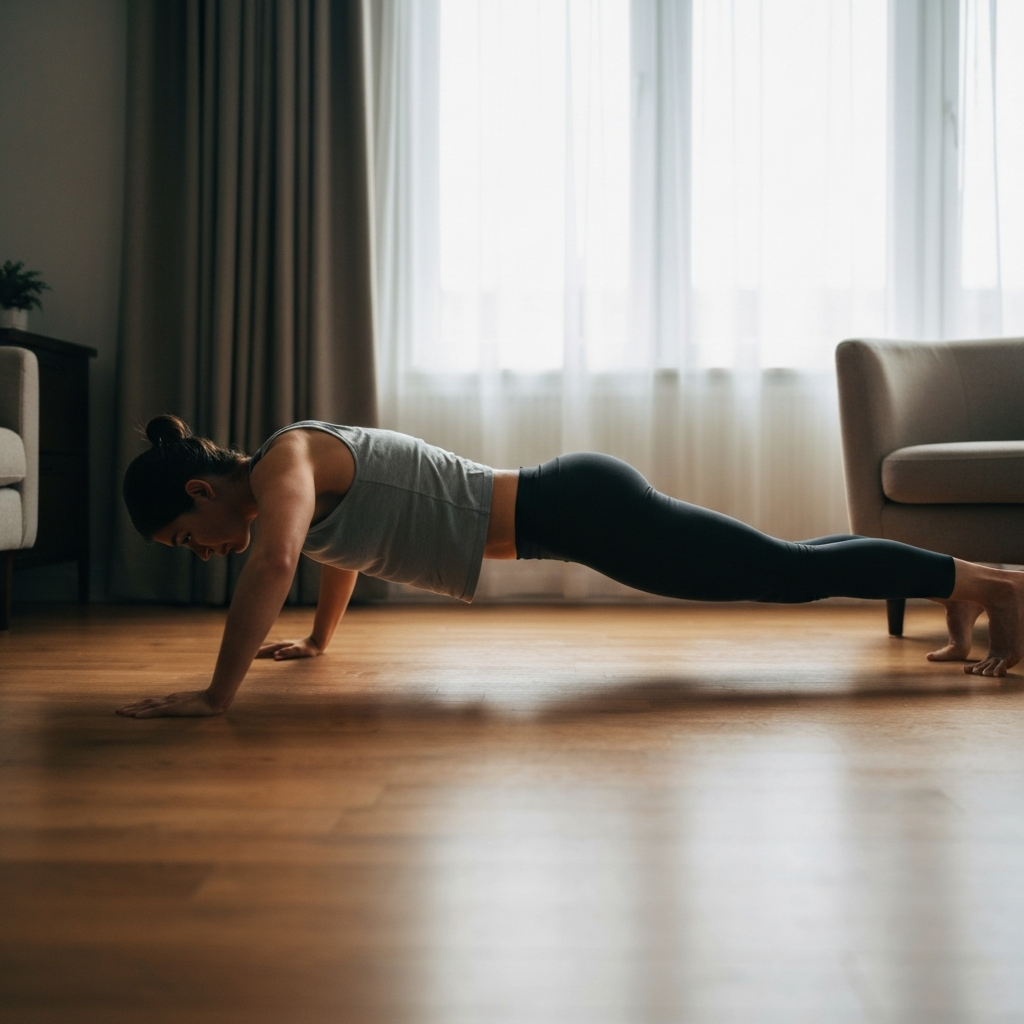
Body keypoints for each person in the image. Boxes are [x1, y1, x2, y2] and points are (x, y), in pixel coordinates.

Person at [116, 415, 1024, 718]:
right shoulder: (291, 480)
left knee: (784, 570)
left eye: (186, 542)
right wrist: (317, 642)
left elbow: (276, 559)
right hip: (576, 517)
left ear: (200, 492)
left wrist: (216, 694)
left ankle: (996, 586)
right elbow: (338, 554)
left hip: (583, 509)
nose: (201, 555)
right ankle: (969, 581)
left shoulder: (286, 462)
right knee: (783, 565)